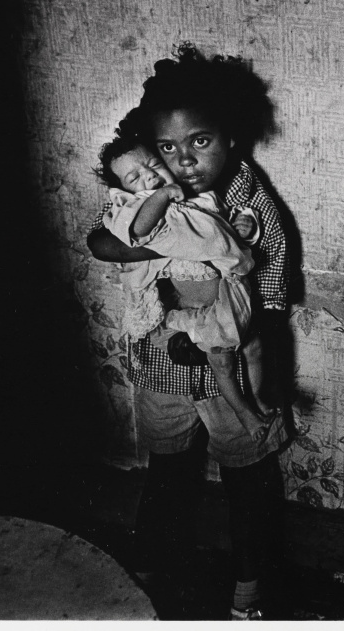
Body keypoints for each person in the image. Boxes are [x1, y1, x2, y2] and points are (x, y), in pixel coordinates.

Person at [87, 44, 288, 620]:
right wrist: (150, 223)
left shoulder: (248, 197)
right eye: (168, 148)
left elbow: (271, 276)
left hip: (232, 349)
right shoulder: (142, 192)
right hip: (162, 358)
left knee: (246, 471)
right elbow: (100, 242)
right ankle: (145, 573)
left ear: (229, 135)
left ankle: (250, 591)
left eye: (199, 142)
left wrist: (258, 340)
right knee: (168, 468)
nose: (184, 161)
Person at [95, 135, 274, 443]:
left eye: (152, 165)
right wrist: (162, 196)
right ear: (123, 191)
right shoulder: (140, 206)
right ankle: (244, 412)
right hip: (198, 312)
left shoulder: (199, 197)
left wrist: (243, 224)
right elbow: (137, 230)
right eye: (134, 178)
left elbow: (222, 224)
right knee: (222, 361)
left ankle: (258, 398)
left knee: (254, 348)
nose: (149, 175)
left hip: (229, 295)